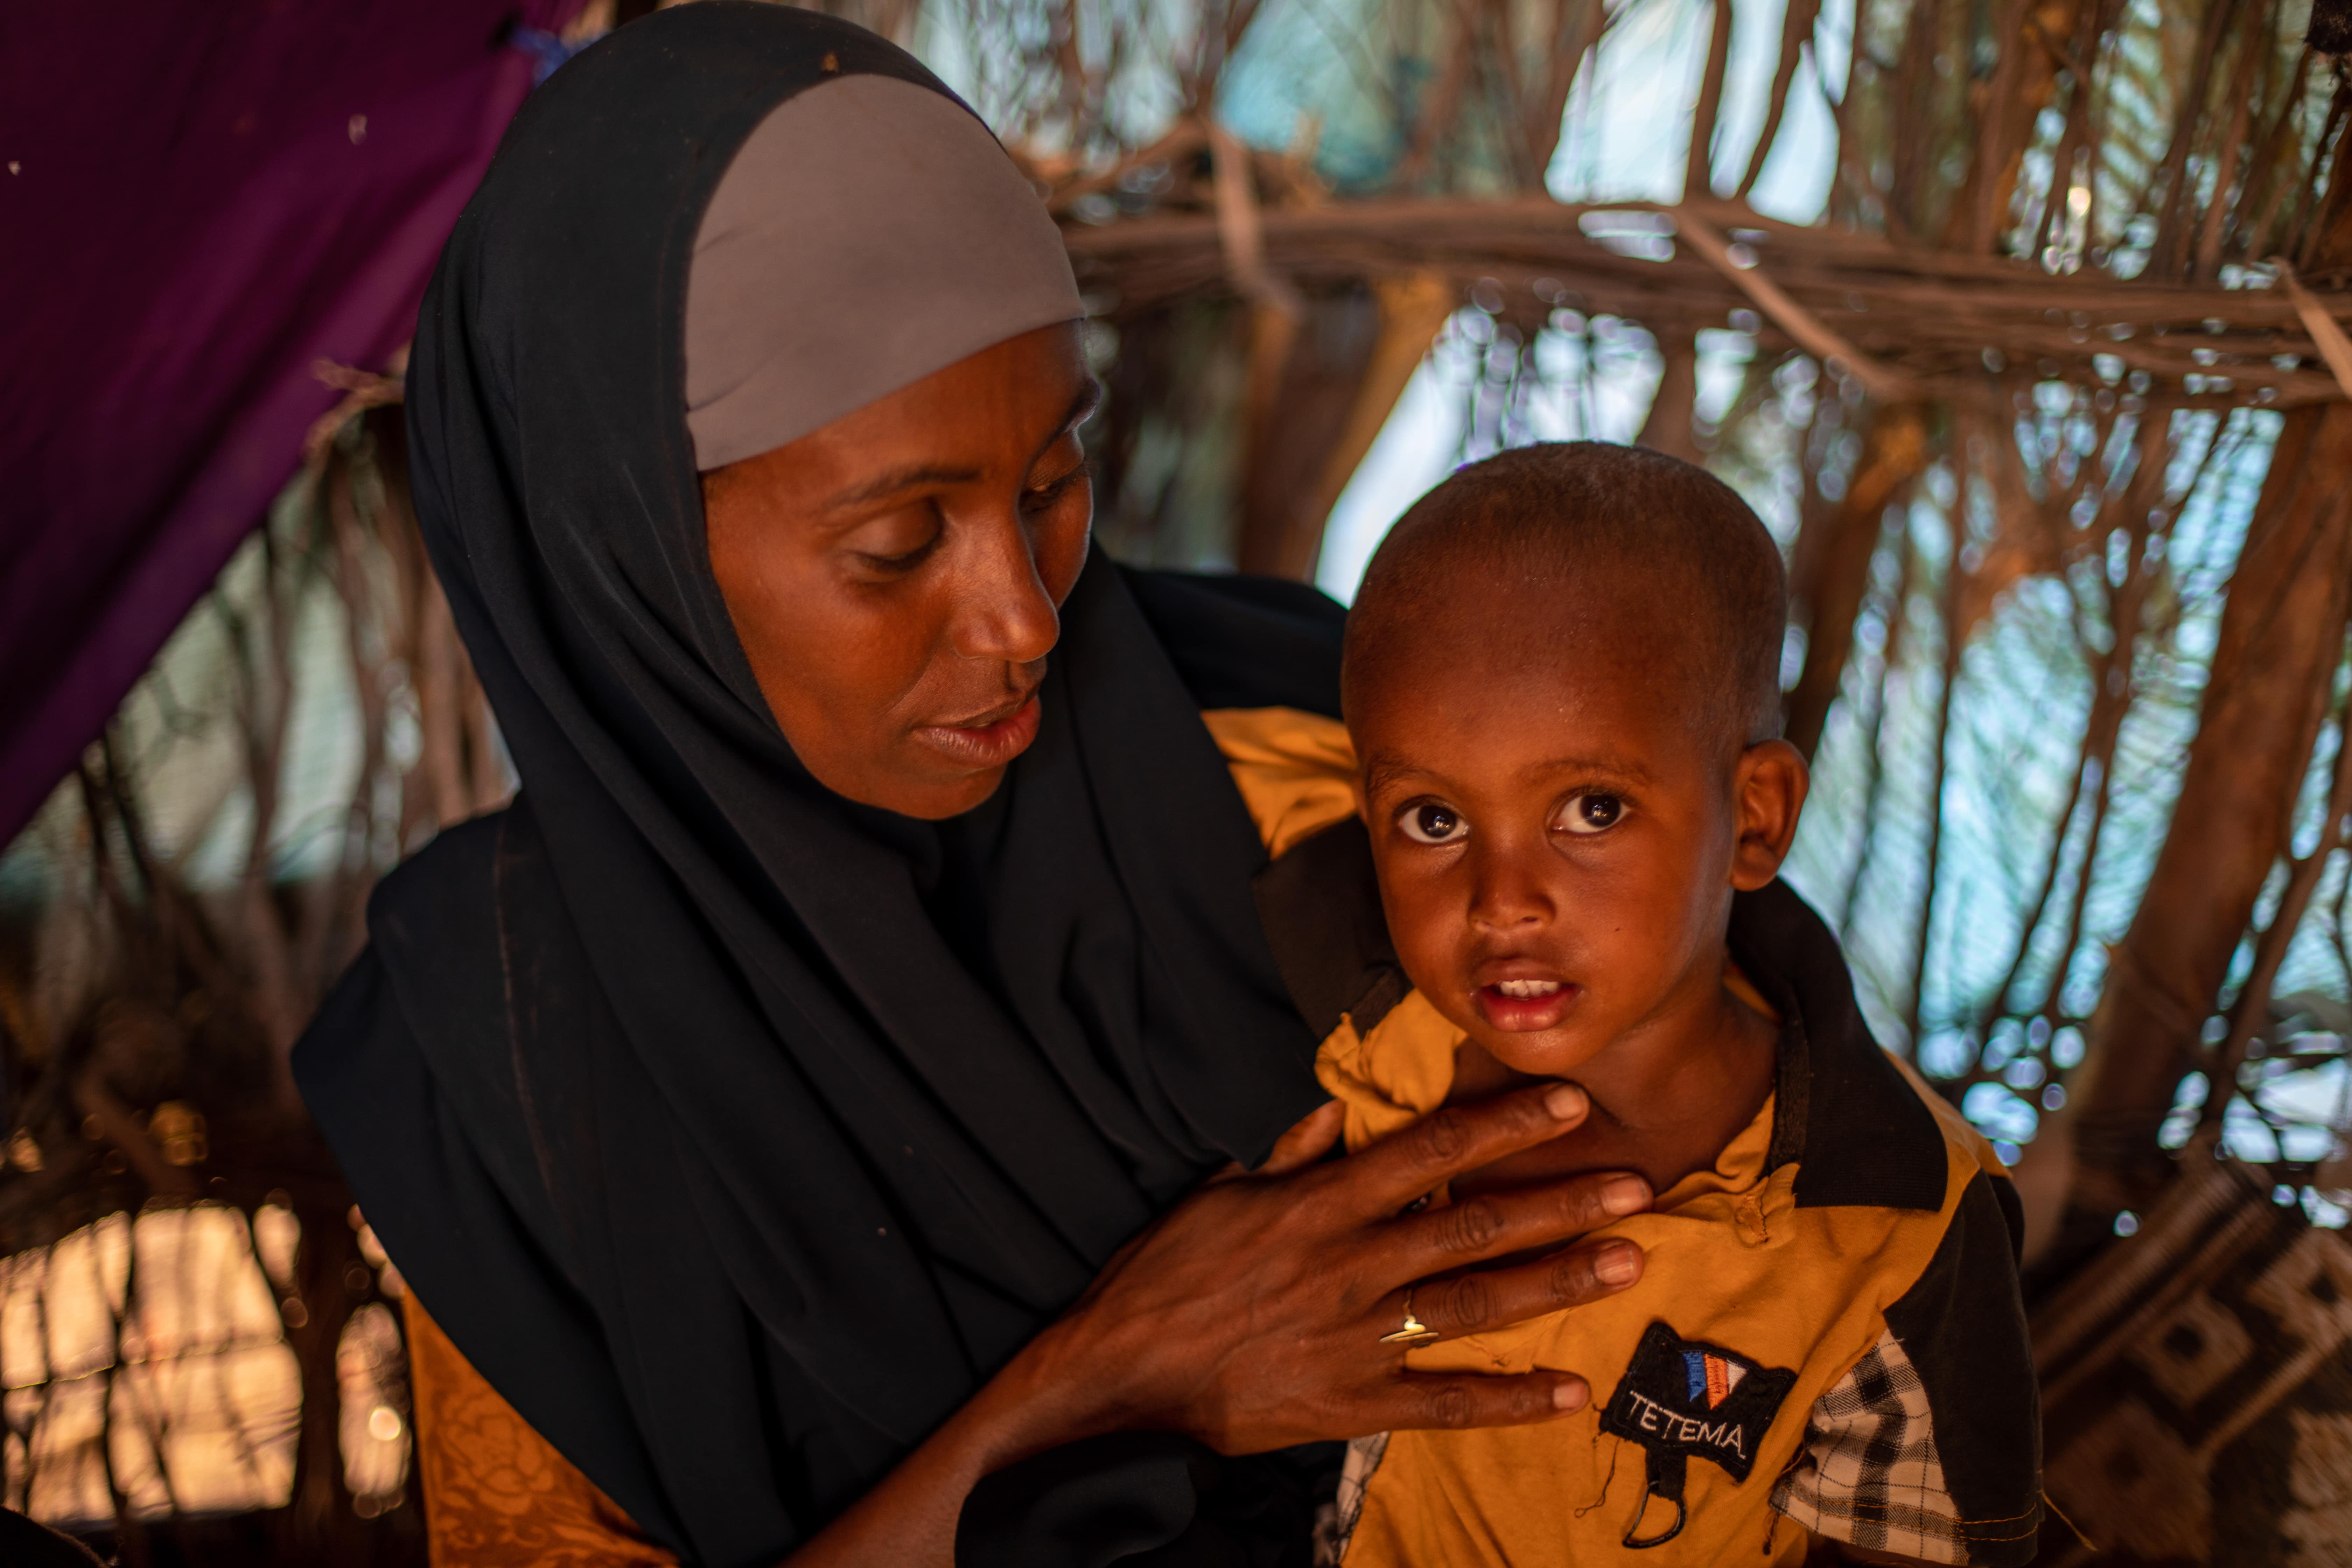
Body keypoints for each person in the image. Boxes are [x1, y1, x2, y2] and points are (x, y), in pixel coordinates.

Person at [291, 8, 1661, 1566]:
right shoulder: (500, 1074)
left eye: (1053, 483)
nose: (1024, 620)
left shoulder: (1334, 762)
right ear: (627, 562)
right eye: (896, 546)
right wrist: (1104, 1392)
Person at [1205, 444, 2042, 1566]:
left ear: (1755, 818)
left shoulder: (1889, 1215)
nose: (1502, 902)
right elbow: (1134, 718)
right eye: (1435, 821)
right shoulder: (1380, 1007)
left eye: (1592, 810)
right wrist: (1378, 1325)